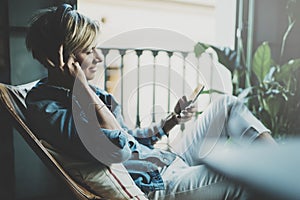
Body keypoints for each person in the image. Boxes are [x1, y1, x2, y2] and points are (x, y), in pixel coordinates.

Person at [25, 4, 276, 200]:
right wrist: (82, 88)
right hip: (158, 184)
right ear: (60, 57)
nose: (100, 57)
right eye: (89, 50)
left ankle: (283, 167)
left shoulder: (89, 93)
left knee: (227, 106)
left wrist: (170, 123)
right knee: (244, 177)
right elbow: (117, 150)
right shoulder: (48, 109)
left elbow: (130, 138)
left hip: (164, 161)